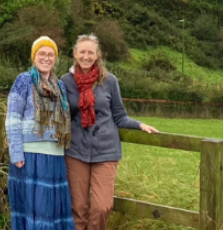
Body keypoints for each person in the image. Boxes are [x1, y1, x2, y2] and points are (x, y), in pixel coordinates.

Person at [61, 34, 159, 230]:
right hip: (76, 151)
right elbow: (61, 115)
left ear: (98, 55)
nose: (86, 56)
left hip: (105, 150)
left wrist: (139, 125)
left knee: (102, 206)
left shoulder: (109, 81)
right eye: (82, 52)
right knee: (78, 207)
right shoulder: (65, 81)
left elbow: (119, 115)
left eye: (90, 52)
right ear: (75, 53)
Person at [5, 36, 75, 230]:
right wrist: (16, 153)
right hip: (29, 156)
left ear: (56, 58)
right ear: (34, 57)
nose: (46, 58)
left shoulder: (59, 86)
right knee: (35, 209)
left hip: (55, 156)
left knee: (52, 210)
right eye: (42, 53)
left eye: (51, 54)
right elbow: (12, 118)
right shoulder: (24, 81)